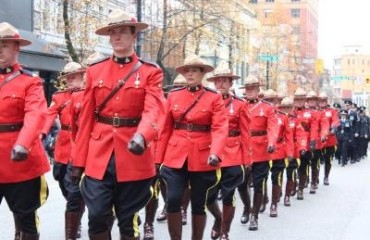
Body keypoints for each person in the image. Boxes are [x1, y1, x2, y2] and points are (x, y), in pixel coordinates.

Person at [71, 9, 165, 239]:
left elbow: (154, 109)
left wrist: (142, 136)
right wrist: (78, 160)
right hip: (99, 153)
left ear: (134, 35)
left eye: (122, 31)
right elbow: (86, 120)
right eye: (113, 32)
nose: (116, 37)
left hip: (133, 153)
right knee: (96, 216)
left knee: (127, 219)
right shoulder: (95, 70)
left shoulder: (150, 72)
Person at [158, 55, 228, 240]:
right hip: (176, 154)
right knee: (173, 200)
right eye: (187, 70)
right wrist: (159, 159)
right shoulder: (173, 95)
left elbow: (220, 128)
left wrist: (216, 153)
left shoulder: (213, 98)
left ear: (202, 73)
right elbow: (165, 128)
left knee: (198, 203)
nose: (190, 74)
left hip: (202, 156)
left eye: (194, 70)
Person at [0, 22, 49, 240]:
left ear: (16, 48)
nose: (0, 50)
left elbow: (36, 114)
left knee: (26, 218)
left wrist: (22, 143)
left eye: (4, 45)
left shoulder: (31, 82)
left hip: (20, 158)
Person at [42, 61, 86, 240]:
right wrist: (42, 133)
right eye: (67, 77)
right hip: (63, 144)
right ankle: (75, 208)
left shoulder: (88, 94)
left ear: (83, 77)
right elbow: (49, 116)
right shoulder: (59, 96)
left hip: (80, 143)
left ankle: (74, 221)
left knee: (74, 188)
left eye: (73, 76)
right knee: (61, 179)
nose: (69, 80)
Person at [205, 62, 247, 239]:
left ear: (231, 84)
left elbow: (246, 133)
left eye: (225, 81)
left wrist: (248, 160)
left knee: (229, 195)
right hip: (211, 152)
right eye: (218, 81)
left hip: (233, 153)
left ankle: (225, 231)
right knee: (208, 197)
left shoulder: (240, 104)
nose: (221, 84)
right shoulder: (206, 101)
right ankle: (218, 218)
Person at [241, 76, 279, 231]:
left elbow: (272, 127)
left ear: (258, 90)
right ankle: (246, 207)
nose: (250, 91)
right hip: (243, 148)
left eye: (253, 88)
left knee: (258, 185)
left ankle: (254, 216)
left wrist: (271, 143)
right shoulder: (239, 105)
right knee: (241, 184)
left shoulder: (268, 108)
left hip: (261, 149)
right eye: (248, 88)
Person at [293, 88, 318, 200]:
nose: (299, 102)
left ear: (305, 100)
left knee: (303, 167)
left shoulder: (310, 113)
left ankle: (300, 189)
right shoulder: (290, 111)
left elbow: (314, 128)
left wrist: (313, 141)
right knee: (291, 167)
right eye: (297, 99)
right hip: (292, 144)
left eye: (302, 99)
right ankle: (293, 184)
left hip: (305, 144)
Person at [306, 90, 329, 194]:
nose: (311, 101)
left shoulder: (321, 113)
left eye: (313, 100)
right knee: (304, 163)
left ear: (316, 101)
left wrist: (324, 135)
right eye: (309, 100)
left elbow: (325, 126)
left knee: (315, 163)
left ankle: (313, 181)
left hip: (317, 141)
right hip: (304, 141)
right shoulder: (303, 112)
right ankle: (304, 179)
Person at [319, 92, 339, 185]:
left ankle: (326, 177)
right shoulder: (315, 110)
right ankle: (315, 178)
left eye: (324, 100)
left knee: (328, 160)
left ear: (327, 101)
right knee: (316, 159)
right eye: (321, 100)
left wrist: (334, 127)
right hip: (318, 139)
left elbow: (335, 120)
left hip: (329, 139)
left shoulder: (332, 111)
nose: (322, 102)